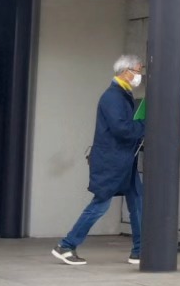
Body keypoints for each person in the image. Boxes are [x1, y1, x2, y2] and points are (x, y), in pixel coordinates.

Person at [52, 54, 146, 267]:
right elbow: (121, 128)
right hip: (112, 162)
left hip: (123, 161)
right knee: (100, 205)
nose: (139, 76)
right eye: (138, 71)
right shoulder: (113, 96)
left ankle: (139, 251)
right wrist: (145, 125)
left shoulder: (122, 94)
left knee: (137, 203)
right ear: (126, 71)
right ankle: (66, 245)